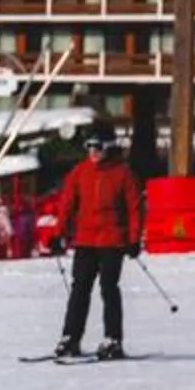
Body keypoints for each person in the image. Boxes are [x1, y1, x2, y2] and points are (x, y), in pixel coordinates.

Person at [50, 125, 143, 361]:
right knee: (80, 288)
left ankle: (113, 338)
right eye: (89, 147)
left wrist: (133, 239)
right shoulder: (81, 172)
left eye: (97, 147)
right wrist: (58, 233)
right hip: (86, 239)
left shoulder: (123, 173)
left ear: (109, 148)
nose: (93, 152)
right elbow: (67, 204)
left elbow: (134, 208)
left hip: (113, 240)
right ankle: (70, 337)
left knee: (108, 288)